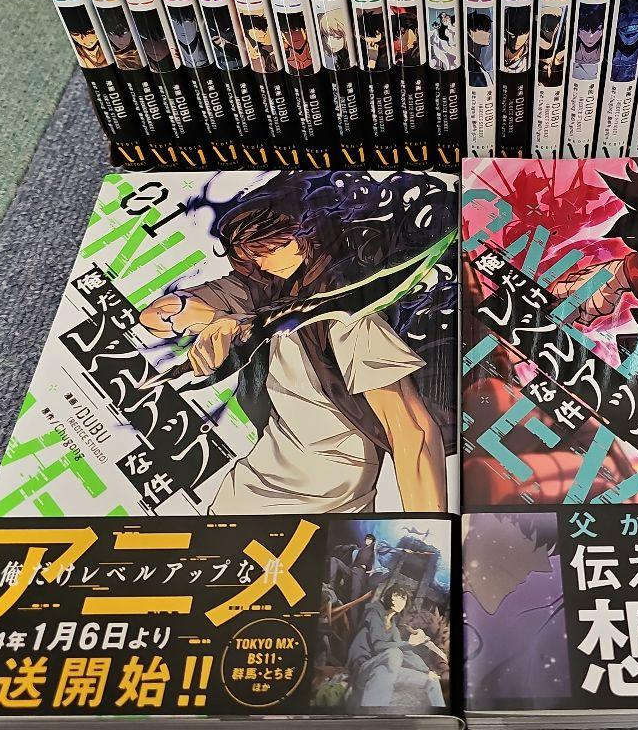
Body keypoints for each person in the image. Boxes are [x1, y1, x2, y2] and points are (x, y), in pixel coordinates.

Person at [139, 173, 452, 513]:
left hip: (327, 501)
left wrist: (429, 527)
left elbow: (413, 433)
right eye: (252, 254)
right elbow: (156, 316)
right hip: (251, 490)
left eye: (273, 247)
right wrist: (217, 320)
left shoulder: (349, 320)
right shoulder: (263, 288)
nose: (262, 262)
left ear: (310, 233)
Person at [347, 586, 443, 708]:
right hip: (363, 668)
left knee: (432, 681)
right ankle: (374, 711)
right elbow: (378, 645)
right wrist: (409, 643)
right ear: (389, 597)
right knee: (394, 654)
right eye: (396, 596)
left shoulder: (393, 628)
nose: (398, 601)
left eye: (403, 599)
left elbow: (407, 652)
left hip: (383, 669)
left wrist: (427, 671)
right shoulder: (374, 613)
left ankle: (440, 713)